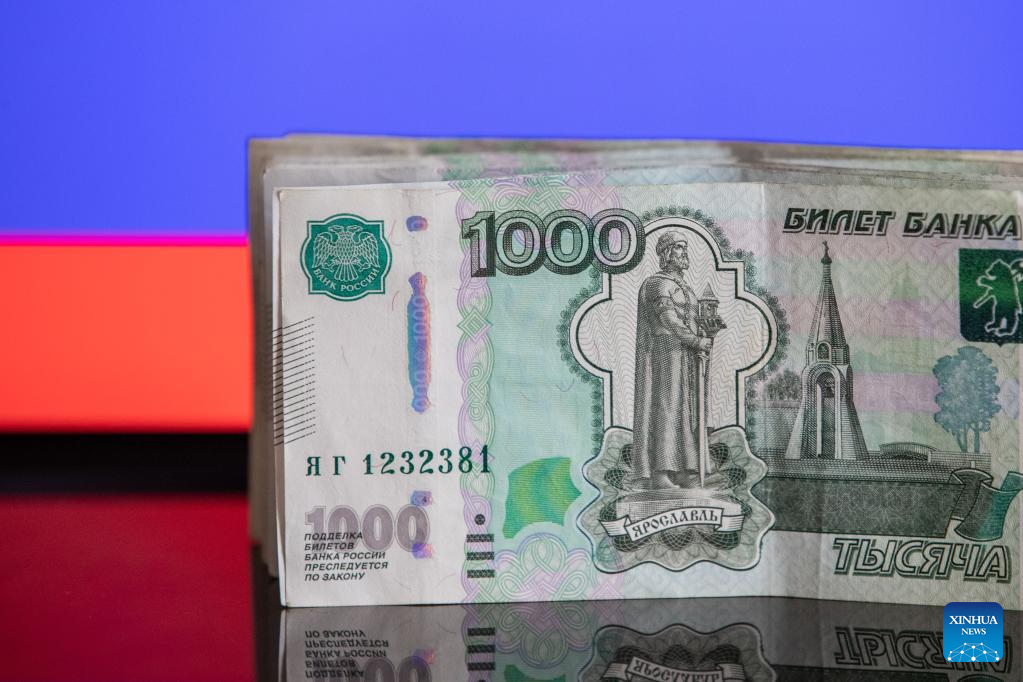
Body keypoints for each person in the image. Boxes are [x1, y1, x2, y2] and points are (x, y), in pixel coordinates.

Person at [630, 231, 712, 490]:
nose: (683, 252)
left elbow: (695, 320)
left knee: (686, 410)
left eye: (684, 247)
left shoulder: (686, 287)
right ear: (665, 253)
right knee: (667, 407)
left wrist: (704, 336)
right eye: (677, 247)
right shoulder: (657, 284)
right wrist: (696, 341)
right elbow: (669, 320)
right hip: (665, 352)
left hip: (686, 354)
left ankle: (685, 469)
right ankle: (660, 472)